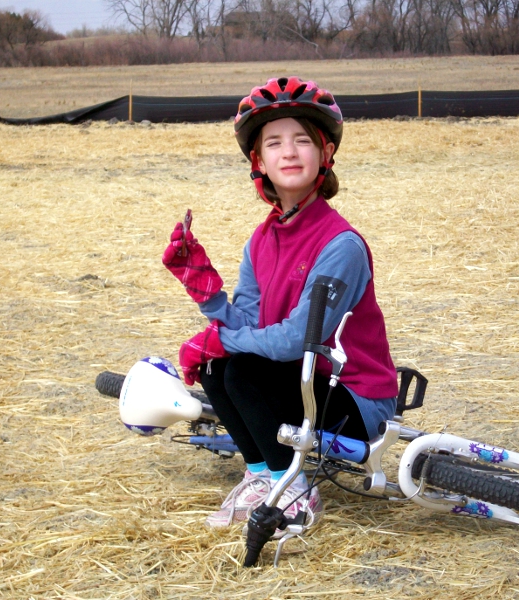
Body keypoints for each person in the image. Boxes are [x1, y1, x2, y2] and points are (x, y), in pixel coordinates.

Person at [162, 77, 398, 531]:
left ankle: (295, 489)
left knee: (239, 368)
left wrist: (220, 338)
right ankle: (263, 473)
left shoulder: (340, 245)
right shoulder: (261, 239)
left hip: (353, 399)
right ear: (260, 162)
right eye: (274, 143)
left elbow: (294, 341)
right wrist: (206, 293)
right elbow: (247, 322)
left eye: (302, 140)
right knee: (217, 367)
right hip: (304, 385)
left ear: (325, 154)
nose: (289, 152)